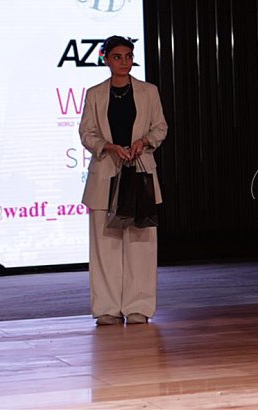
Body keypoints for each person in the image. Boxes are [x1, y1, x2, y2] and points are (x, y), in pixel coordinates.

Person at [79, 36, 168, 326]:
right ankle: (107, 307)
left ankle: (138, 306)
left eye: (128, 56)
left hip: (139, 170)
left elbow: (160, 127)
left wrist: (144, 141)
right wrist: (107, 146)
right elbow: (86, 133)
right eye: (117, 57)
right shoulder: (95, 94)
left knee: (141, 242)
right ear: (105, 58)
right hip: (106, 172)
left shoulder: (148, 91)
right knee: (105, 244)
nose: (124, 62)